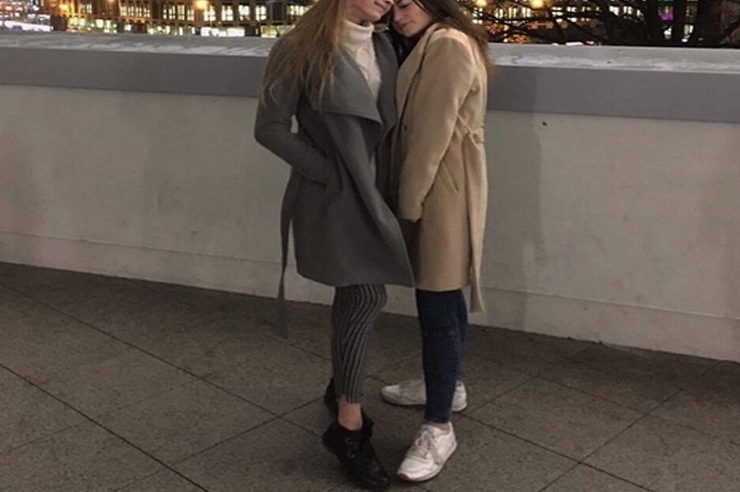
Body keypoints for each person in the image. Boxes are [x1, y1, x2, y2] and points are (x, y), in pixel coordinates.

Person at [253, 0, 414, 488]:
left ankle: (342, 383)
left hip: (378, 189)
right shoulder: (300, 46)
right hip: (335, 195)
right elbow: (270, 128)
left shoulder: (384, 45)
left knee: (360, 294)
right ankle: (348, 426)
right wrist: (329, 173)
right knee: (365, 293)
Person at [380, 0, 492, 482]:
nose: (397, 16)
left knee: (439, 301)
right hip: (444, 182)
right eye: (391, 8)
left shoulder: (446, 44)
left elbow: (431, 132)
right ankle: (447, 386)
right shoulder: (435, 41)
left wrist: (408, 201)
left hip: (441, 188)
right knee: (442, 297)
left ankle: (438, 426)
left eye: (405, 4)